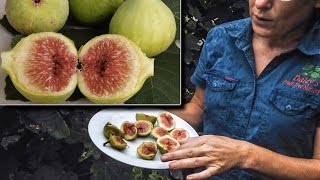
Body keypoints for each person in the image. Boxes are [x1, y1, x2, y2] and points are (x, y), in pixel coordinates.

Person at [161, 0, 320, 179]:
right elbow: (198, 107)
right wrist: (144, 110)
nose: (260, 3)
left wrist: (247, 156)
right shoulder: (221, 37)